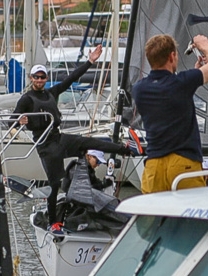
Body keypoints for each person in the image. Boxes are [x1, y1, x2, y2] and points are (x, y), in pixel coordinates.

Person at [13, 44, 134, 226]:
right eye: (36, 77)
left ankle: (124, 150)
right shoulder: (26, 99)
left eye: (42, 76)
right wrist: (20, 121)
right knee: (55, 185)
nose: (39, 79)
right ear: (31, 78)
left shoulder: (51, 93)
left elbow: (71, 79)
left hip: (58, 138)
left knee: (89, 142)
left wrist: (90, 62)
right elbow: (12, 120)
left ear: (46, 78)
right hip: (46, 146)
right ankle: (54, 222)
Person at [131, 34, 208, 194]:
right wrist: (204, 45)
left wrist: (196, 73)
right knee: (190, 215)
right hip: (183, 163)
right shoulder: (182, 83)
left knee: (154, 216)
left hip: (154, 166)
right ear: (172, 56)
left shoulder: (139, 89)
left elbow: (169, 92)